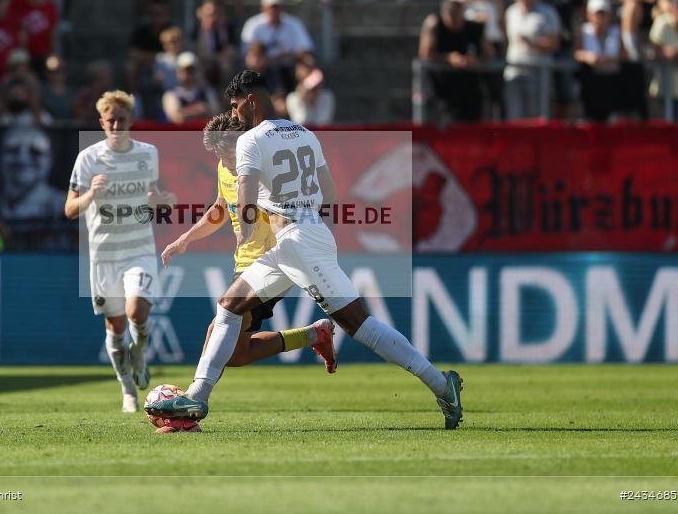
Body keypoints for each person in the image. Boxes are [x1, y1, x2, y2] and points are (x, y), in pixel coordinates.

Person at [145, 70, 463, 430]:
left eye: (235, 107)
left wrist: (247, 233)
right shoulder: (305, 134)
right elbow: (329, 194)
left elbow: (246, 203)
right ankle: (197, 398)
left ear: (251, 100)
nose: (234, 116)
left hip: (296, 242)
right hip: (303, 237)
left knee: (359, 325)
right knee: (229, 306)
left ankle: (442, 384)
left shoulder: (249, 141)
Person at [159, 111, 336, 433]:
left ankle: (188, 412)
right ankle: (314, 334)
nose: (225, 161)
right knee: (236, 354)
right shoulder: (225, 169)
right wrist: (185, 238)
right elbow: (220, 207)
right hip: (244, 262)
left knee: (219, 325)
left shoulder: (264, 167)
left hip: (273, 261)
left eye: (228, 153)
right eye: (218, 155)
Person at [64, 90, 176, 413]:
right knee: (115, 328)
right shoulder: (88, 159)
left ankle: (138, 352)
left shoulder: (148, 154)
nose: (115, 125)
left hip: (138, 248)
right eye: (110, 120)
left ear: (131, 122)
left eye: (121, 120)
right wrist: (91, 195)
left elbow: (156, 193)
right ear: (101, 122)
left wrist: (162, 199)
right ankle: (128, 390)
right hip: (103, 255)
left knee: (137, 311)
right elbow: (70, 209)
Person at [419, 0, 490, 122]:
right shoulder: (436, 25)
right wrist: (449, 58)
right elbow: (425, 54)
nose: (456, 23)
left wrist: (474, 61)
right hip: (442, 91)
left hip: (470, 90)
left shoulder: (473, 28)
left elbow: (488, 54)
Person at [504, 0, 560, 119]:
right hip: (514, 72)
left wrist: (532, 42)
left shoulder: (548, 13)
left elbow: (554, 43)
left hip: (538, 73)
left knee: (537, 117)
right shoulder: (511, 12)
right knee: (514, 117)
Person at [240, 0, 314, 94]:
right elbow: (248, 54)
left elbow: (305, 51)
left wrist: (285, 56)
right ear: (263, 8)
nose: (274, 11)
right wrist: (264, 60)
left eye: (277, 7)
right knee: (255, 65)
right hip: (263, 69)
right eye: (272, 7)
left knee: (306, 66)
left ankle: (302, 100)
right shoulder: (253, 25)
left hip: (288, 67)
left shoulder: (294, 24)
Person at [537, 0, 584, 119]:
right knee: (543, 90)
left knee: (565, 90)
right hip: (544, 49)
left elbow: (582, 14)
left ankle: (563, 124)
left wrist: (579, 39)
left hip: (565, 47)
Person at [573, 0, 627, 122]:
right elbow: (576, 53)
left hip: (612, 84)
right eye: (597, 14)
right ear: (589, 15)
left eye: (603, 14)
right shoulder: (583, 32)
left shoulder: (616, 32)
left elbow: (624, 55)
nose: (600, 18)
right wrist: (588, 57)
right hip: (592, 84)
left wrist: (610, 59)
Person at [7, 0, 59, 76]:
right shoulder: (17, 3)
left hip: (43, 53)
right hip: (21, 54)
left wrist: (53, 53)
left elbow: (53, 32)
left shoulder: (51, 6)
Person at [161, 52, 220, 124]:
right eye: (184, 70)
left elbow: (216, 115)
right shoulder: (170, 95)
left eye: (191, 70)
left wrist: (185, 112)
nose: (188, 74)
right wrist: (200, 110)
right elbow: (176, 117)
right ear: (178, 72)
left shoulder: (207, 92)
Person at [193, 0, 237, 87]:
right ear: (201, 14)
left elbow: (233, 50)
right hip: (203, 70)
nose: (213, 18)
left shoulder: (228, 30)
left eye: (217, 14)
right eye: (209, 15)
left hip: (224, 71)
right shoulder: (196, 31)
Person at [41, 55, 74, 121]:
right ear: (47, 73)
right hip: (47, 129)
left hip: (69, 129)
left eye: (62, 71)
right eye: (54, 72)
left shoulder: (71, 93)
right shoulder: (42, 91)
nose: (58, 75)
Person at [154, 26, 185, 92]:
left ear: (181, 42)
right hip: (168, 93)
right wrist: (158, 78)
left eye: (175, 41)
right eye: (168, 43)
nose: (172, 45)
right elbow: (156, 81)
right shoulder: (160, 59)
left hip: (186, 92)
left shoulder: (187, 57)